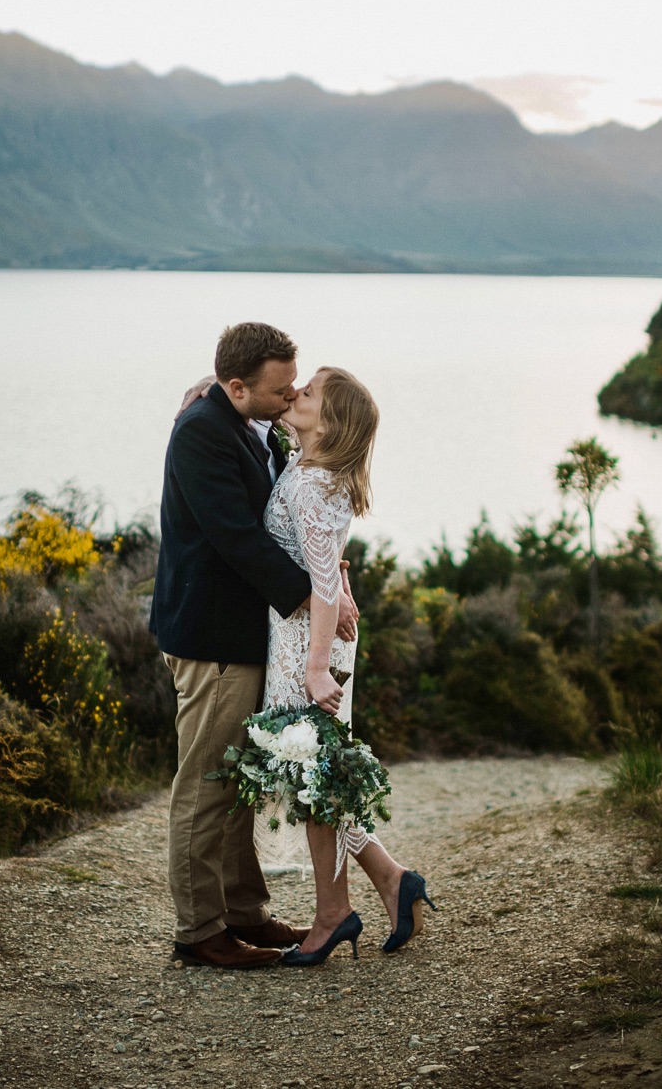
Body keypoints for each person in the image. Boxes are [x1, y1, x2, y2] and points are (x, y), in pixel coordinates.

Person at [151, 322, 359, 969]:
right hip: (211, 638)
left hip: (246, 636)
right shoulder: (200, 434)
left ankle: (243, 910)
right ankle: (199, 930)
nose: (291, 393)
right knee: (207, 784)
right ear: (236, 386)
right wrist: (320, 595)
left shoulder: (246, 421)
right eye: (280, 388)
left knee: (238, 780)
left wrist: (334, 581)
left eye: (294, 381)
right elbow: (238, 539)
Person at [258, 367, 435, 966]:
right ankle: (390, 880)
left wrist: (313, 669)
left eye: (306, 393)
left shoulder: (315, 485)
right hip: (303, 635)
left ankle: (333, 913)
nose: (294, 393)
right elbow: (327, 563)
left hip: (309, 643)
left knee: (312, 773)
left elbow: (324, 586)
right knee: (317, 771)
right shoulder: (310, 467)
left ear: (329, 423)